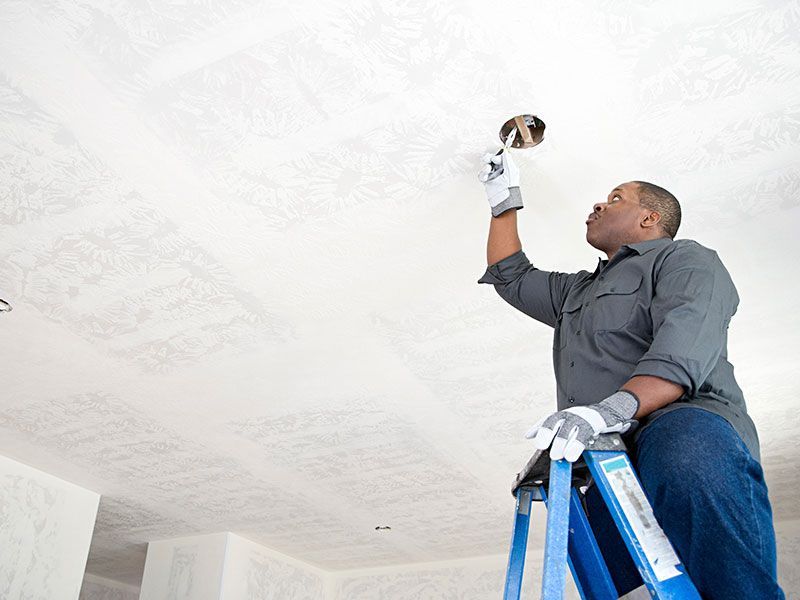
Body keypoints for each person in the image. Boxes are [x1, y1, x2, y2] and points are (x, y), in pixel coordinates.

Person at [477, 149, 784, 598]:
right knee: (591, 557)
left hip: (683, 423)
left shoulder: (685, 260)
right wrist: (503, 200)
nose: (599, 204)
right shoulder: (575, 290)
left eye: (615, 198)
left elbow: (682, 353)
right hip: (612, 449)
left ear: (649, 219)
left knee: (687, 459)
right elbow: (511, 277)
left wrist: (609, 410)